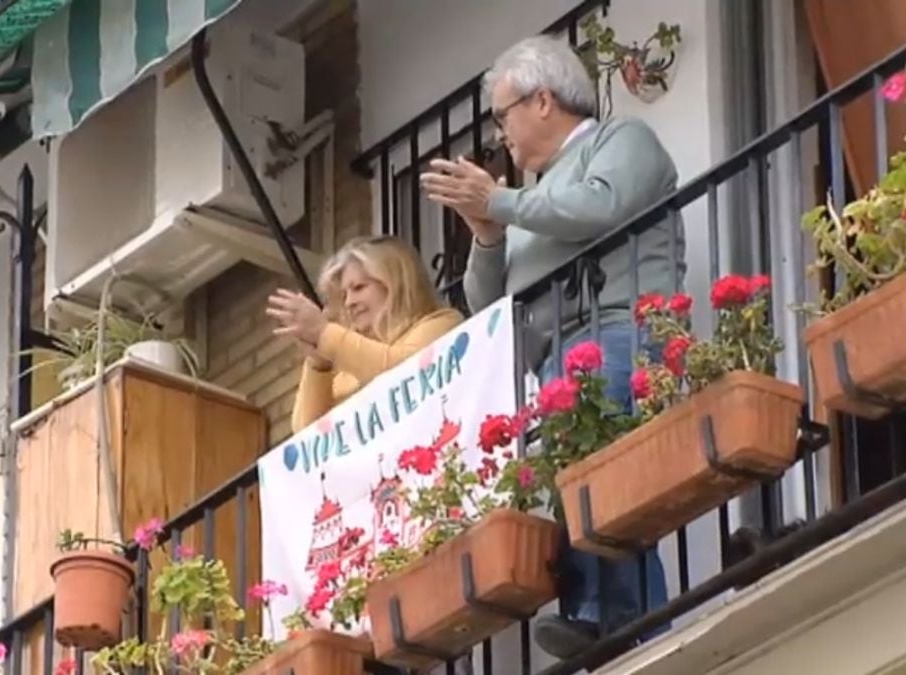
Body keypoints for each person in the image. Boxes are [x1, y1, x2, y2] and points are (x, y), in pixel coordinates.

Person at [421, 35, 684, 659]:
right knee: (586, 483)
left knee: (602, 478)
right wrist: (487, 234)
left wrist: (504, 202)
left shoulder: (619, 143)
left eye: (502, 113)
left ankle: (611, 618)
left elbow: (602, 206)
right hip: (561, 357)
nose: (501, 132)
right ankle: (620, 621)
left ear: (543, 101)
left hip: (620, 328)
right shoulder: (530, 204)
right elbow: (487, 301)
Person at [266, 236, 464, 432]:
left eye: (358, 288)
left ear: (396, 283)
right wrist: (319, 364)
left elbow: (405, 375)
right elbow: (307, 435)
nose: (349, 302)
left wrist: (324, 333)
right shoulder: (345, 368)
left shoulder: (442, 323)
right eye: (344, 295)